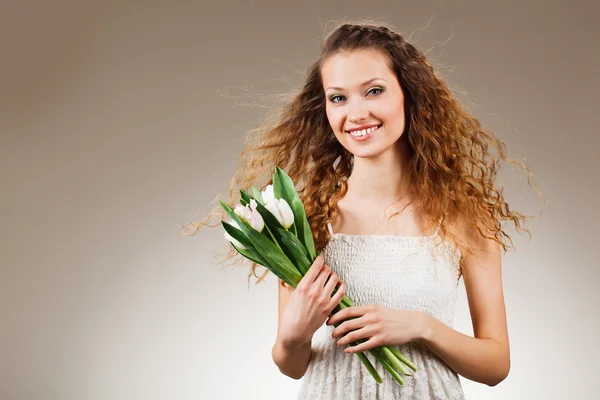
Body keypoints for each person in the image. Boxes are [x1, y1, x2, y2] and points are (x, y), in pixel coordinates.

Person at [186, 19, 543, 400]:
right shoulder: (305, 218)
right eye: (338, 97)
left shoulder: (463, 219)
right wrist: (294, 334)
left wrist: (422, 327)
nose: (355, 113)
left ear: (410, 94)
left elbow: (496, 365)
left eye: (373, 91)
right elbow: (291, 364)